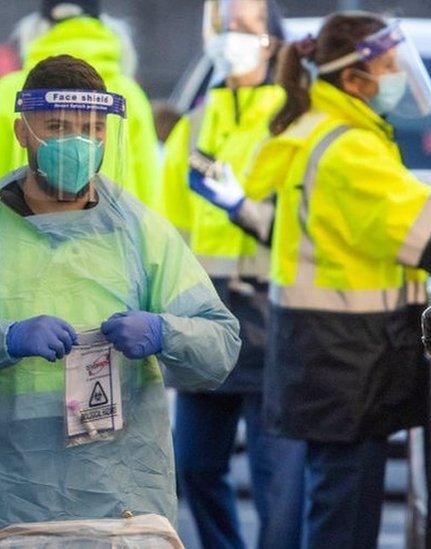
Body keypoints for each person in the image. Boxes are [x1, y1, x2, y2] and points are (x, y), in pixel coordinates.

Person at [0, 55, 242, 547]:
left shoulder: (141, 234)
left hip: (119, 504)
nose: (77, 142)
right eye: (57, 127)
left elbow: (220, 343)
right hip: (4, 501)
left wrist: (165, 333)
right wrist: (6, 339)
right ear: (22, 133)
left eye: (90, 129)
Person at [195, 12, 431, 548]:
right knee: (343, 520)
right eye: (387, 66)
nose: (397, 76)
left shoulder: (333, 134)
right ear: (354, 80)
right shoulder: (350, 150)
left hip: (328, 354)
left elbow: (411, 209)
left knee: (336, 509)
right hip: (346, 361)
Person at [163, 2, 304, 548]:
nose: (229, 39)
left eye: (243, 28)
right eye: (220, 28)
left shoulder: (292, 123)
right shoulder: (195, 125)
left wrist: (243, 207)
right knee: (196, 466)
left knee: (278, 482)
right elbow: (165, 229)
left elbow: (303, 229)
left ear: (273, 41)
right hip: (203, 321)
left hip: (273, 320)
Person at [0, 0, 161, 213]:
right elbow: (150, 193)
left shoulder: (11, 91)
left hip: (22, 239)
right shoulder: (128, 95)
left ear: (37, 27)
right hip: (113, 239)